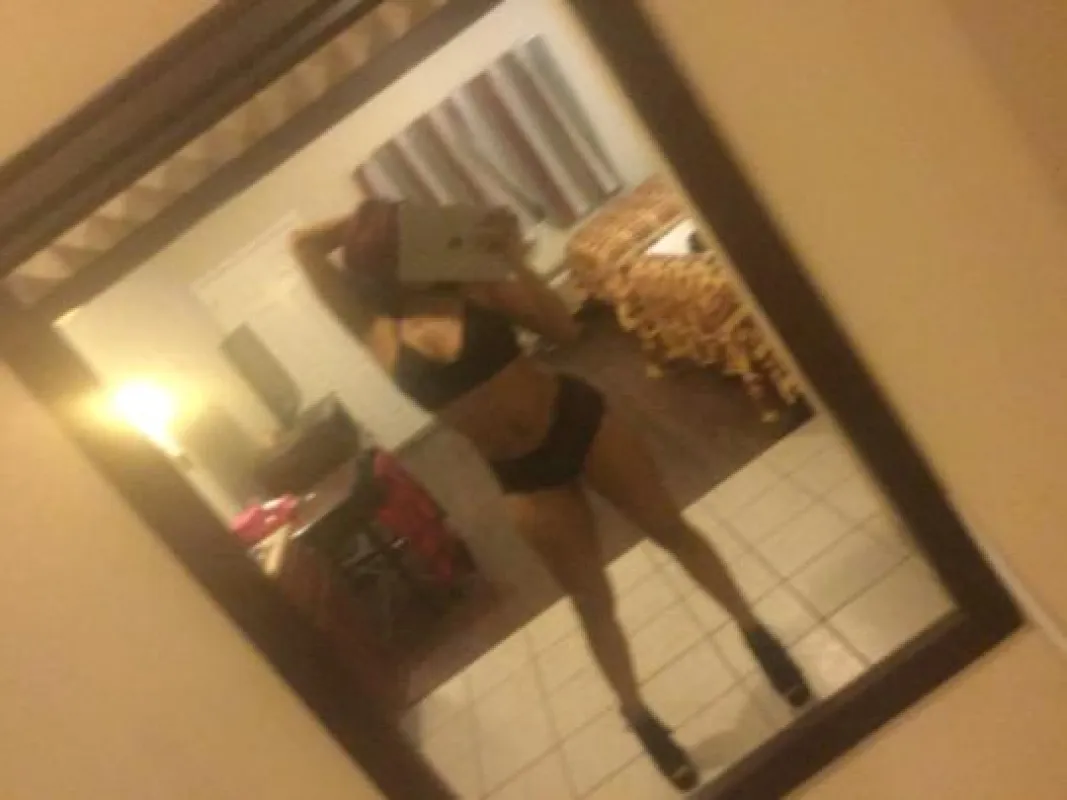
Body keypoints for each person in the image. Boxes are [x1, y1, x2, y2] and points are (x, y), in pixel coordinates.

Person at [291, 200, 811, 792]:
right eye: (398, 250)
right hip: (522, 474)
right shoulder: (374, 329)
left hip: (577, 420)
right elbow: (302, 245)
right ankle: (638, 715)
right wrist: (368, 219)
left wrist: (509, 261)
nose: (413, 254)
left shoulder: (475, 282)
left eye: (412, 242)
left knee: (672, 530)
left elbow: (563, 329)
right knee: (591, 598)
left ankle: (755, 631)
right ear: (378, 267)